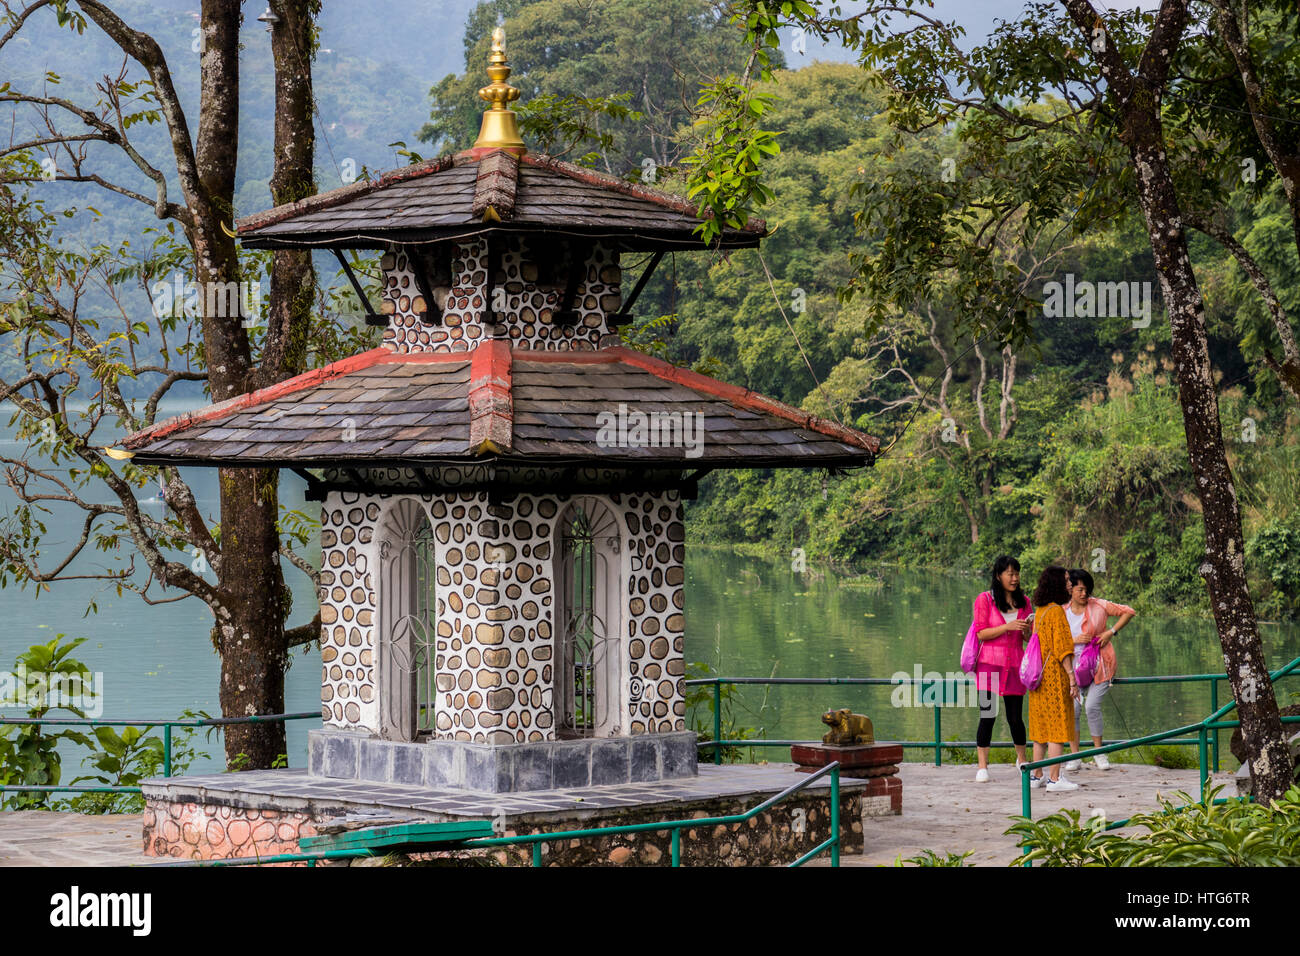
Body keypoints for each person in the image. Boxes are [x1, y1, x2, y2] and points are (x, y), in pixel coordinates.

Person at [1062, 568, 1136, 771]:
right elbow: (1053, 640)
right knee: (1074, 710)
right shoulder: (1062, 610)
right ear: (1070, 590)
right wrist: (1074, 640)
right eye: (1079, 590)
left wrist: (1110, 632)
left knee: (1091, 707)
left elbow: (1128, 611)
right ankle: (1075, 755)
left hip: (1099, 665)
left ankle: (1098, 753)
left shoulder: (1099, 606)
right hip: (1072, 669)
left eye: (1087, 590)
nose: (1084, 594)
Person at [970, 556, 1033, 782]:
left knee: (1015, 717)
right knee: (988, 715)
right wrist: (1007, 626)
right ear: (999, 576)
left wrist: (1026, 630)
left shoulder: (1025, 602)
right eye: (1010, 574)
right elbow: (981, 633)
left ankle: (1022, 759)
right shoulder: (985, 600)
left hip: (1016, 665)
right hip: (989, 665)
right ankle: (982, 766)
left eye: (1017, 573)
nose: (1015, 578)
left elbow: (1027, 638)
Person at [1026, 565, 1081, 791]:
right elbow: (1062, 649)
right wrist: (1072, 678)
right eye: (1067, 580)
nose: (1070, 584)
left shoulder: (1040, 611)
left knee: (1040, 729)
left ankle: (1036, 774)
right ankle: (1055, 778)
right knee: (1058, 727)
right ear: (1058, 583)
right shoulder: (1057, 612)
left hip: (1038, 678)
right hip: (1054, 678)